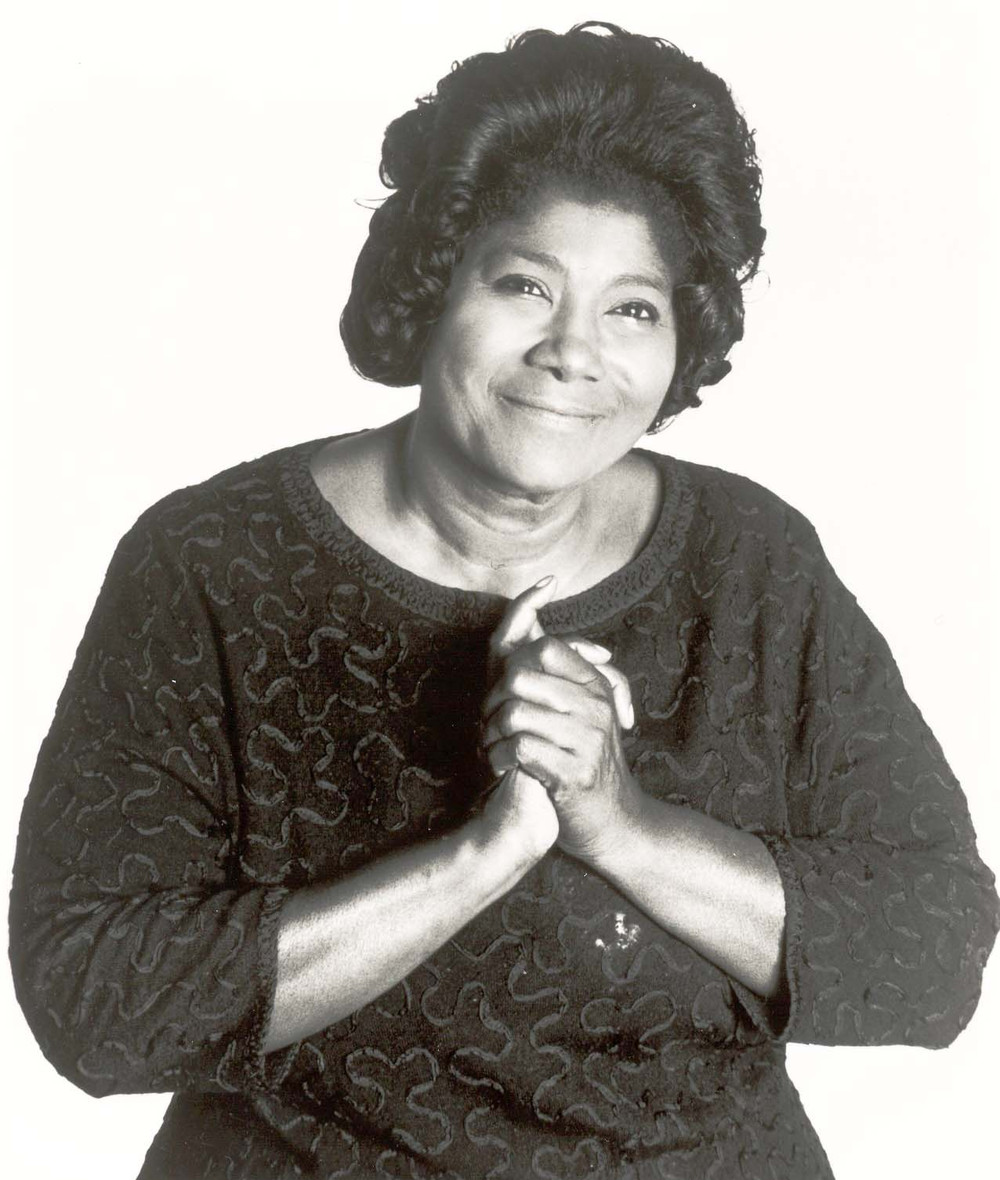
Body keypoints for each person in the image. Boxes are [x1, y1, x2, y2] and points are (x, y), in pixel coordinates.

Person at [9, 21, 998, 1180]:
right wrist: (484, 854)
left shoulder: (751, 562)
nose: (573, 350)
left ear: (679, 344)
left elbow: (935, 956)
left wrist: (620, 827)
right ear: (435, 286)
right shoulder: (211, 564)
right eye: (526, 284)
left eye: (632, 308)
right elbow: (94, 1003)